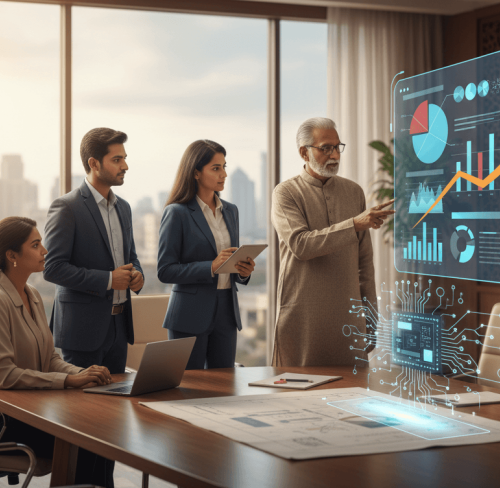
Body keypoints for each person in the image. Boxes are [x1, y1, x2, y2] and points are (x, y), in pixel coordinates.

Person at [0, 217, 112, 483]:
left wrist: (82, 373)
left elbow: (50, 359)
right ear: (12, 255)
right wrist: (68, 380)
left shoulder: (32, 294)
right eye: (35, 244)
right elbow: (4, 376)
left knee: (102, 431)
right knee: (86, 438)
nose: (45, 251)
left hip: (25, 410)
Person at [43, 127, 143, 487]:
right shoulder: (67, 207)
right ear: (93, 163)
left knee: (111, 426)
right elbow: (52, 268)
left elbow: (130, 259)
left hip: (118, 328)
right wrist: (106, 279)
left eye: (124, 158)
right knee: (84, 425)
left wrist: (137, 277)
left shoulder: (125, 208)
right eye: (117, 159)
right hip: (83, 331)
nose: (125, 165)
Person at [271, 117, 394, 367]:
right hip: (302, 318)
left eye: (337, 147)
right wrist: (355, 224)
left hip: (348, 319)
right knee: (297, 398)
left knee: (353, 398)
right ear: (304, 152)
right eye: (325, 148)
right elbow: (301, 245)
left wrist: (371, 315)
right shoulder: (285, 193)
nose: (335, 154)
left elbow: (365, 263)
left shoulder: (354, 192)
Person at [158, 140, 255, 369]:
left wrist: (243, 271)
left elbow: (232, 259)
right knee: (189, 388)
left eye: (224, 166)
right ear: (196, 172)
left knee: (224, 385)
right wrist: (210, 267)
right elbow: (165, 270)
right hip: (190, 314)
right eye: (216, 168)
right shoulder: (177, 213)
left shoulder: (231, 211)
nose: (224, 174)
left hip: (227, 311)